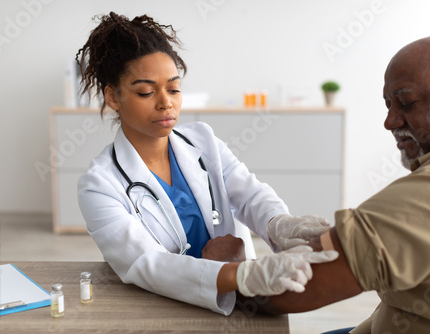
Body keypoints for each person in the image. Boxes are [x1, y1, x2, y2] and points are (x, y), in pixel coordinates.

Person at [210, 33, 430, 333]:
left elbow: (284, 293)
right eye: (389, 104)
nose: (390, 121)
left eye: (407, 102)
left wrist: (229, 268)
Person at [76, 12, 337, 316]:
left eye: (173, 88)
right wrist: (241, 274)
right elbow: (144, 263)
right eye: (146, 92)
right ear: (112, 97)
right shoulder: (99, 186)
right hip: (167, 310)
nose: (166, 102)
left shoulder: (203, 141)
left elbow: (250, 194)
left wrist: (279, 224)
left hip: (241, 298)